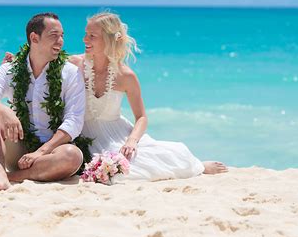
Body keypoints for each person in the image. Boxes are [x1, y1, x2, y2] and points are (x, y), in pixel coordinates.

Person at [68, 12, 228, 181]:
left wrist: (132, 141)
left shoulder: (126, 76)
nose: (85, 39)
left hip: (117, 134)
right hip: (83, 133)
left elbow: (141, 117)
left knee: (146, 164)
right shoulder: (74, 64)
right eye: (85, 34)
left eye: (92, 36)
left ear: (109, 39)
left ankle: (198, 166)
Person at [0, 12, 86, 192]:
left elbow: (74, 121)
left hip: (51, 154)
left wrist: (40, 152)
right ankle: (0, 174)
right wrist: (6, 112)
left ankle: (10, 177)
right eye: (54, 36)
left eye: (62, 36)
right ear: (34, 38)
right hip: (18, 150)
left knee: (72, 156)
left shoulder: (70, 73)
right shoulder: (10, 68)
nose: (60, 41)